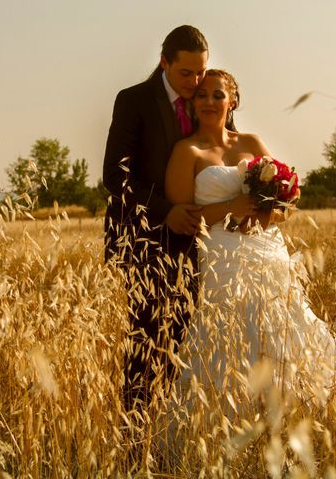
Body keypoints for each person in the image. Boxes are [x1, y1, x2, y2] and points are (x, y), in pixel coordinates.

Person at [164, 69, 336, 435]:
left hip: (269, 252)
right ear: (192, 101)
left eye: (217, 95)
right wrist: (231, 207)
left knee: (282, 333)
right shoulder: (186, 151)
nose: (208, 102)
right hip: (222, 257)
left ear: (232, 101)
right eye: (201, 95)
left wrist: (267, 213)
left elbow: (288, 202)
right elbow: (184, 219)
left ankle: (291, 422)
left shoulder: (251, 142)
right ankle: (225, 428)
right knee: (229, 340)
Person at [102, 25, 208, 413]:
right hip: (143, 242)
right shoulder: (133, 100)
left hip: (196, 243)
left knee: (187, 343)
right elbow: (115, 175)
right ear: (164, 62)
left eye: (200, 72)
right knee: (145, 346)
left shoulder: (206, 99)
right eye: (186, 73)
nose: (195, 82)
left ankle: (172, 434)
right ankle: (134, 442)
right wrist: (167, 212)